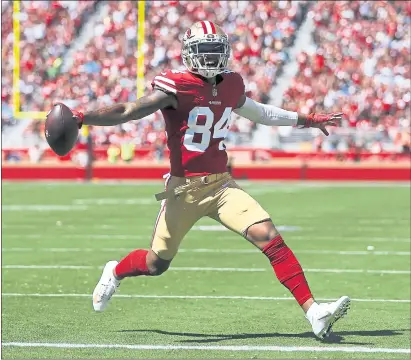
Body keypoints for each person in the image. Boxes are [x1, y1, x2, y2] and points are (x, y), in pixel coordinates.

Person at [68, 21, 348, 339]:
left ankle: (314, 312)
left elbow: (261, 113)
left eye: (217, 51)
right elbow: (130, 110)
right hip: (184, 190)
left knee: (270, 237)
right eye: (205, 51)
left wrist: (307, 120)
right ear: (189, 54)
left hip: (221, 186)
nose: (212, 58)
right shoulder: (176, 85)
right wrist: (83, 117)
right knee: (156, 263)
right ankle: (115, 271)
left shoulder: (230, 84)